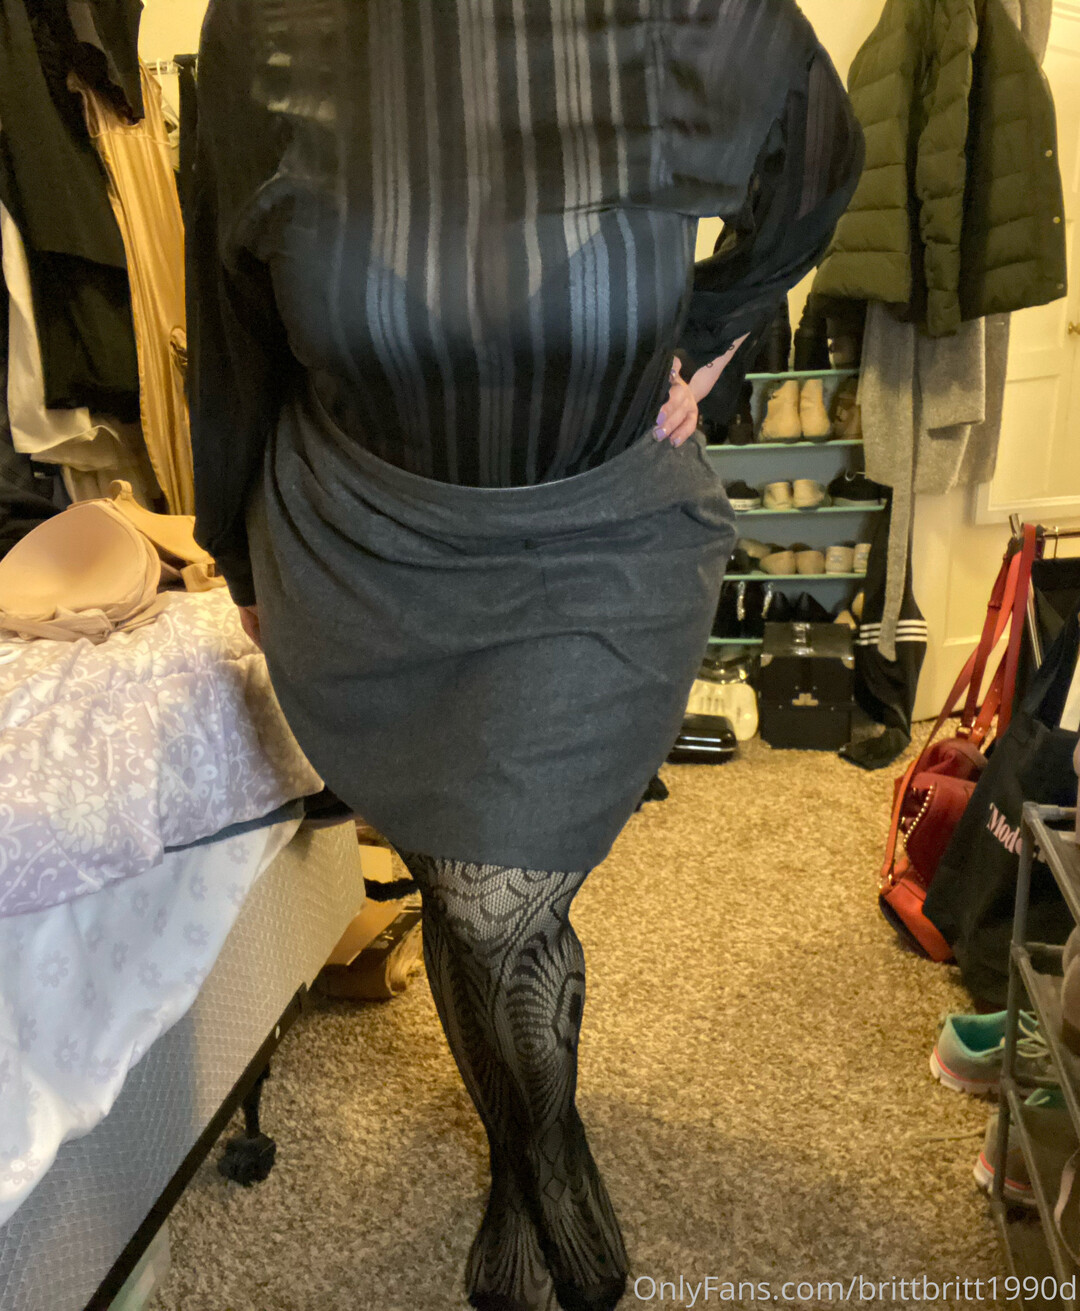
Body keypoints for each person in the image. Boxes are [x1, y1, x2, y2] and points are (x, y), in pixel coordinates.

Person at [187, 4, 862, 1308]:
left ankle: (547, 1152)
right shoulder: (264, 27)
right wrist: (234, 549)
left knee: (502, 896)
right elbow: (231, 317)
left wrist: (716, 326)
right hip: (363, 540)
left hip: (592, 533)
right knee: (457, 880)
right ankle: (514, 1153)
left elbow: (819, 155)